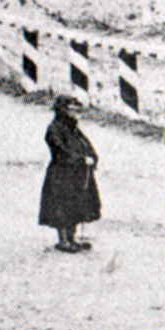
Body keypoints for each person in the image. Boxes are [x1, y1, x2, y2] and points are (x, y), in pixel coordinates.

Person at [38, 95, 101, 253]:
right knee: (61, 206)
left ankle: (72, 238)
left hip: (77, 173)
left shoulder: (74, 128)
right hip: (61, 174)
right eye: (70, 110)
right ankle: (63, 240)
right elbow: (60, 151)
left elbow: (85, 144)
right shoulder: (54, 128)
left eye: (75, 110)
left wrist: (93, 156)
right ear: (62, 110)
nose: (74, 113)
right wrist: (81, 159)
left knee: (76, 205)